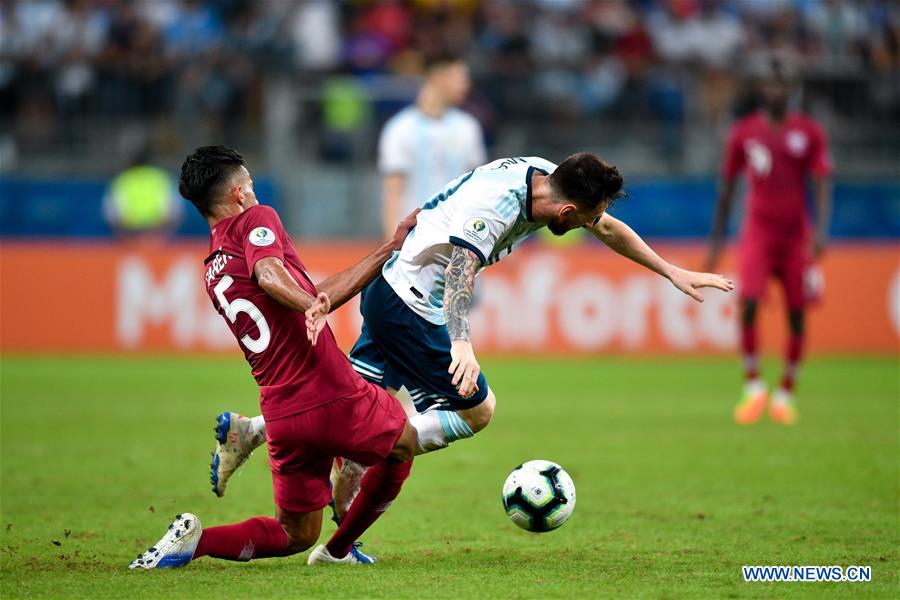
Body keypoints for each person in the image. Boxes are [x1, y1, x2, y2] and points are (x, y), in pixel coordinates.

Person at [212, 153, 734, 537]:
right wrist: (461, 342)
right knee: (476, 409)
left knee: (344, 405)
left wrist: (671, 271)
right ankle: (368, 457)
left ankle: (254, 431)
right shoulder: (500, 206)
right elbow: (462, 269)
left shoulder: (544, 173)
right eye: (584, 219)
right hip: (411, 303)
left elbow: (609, 227)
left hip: (392, 285)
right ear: (567, 208)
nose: (588, 226)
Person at [130, 146, 421, 569]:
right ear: (237, 195)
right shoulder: (256, 219)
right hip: (330, 392)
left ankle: (195, 542)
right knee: (404, 446)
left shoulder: (214, 265)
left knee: (295, 533)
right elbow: (270, 274)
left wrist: (388, 249)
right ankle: (341, 551)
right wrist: (309, 306)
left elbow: (318, 293)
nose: (254, 192)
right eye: (248, 184)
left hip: (283, 413)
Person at [706, 58, 832, 426]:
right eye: (770, 84)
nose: (776, 90)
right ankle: (753, 386)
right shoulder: (744, 133)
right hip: (758, 233)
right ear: (762, 89)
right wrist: (715, 244)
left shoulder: (808, 132)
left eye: (783, 84)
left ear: (792, 89)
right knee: (747, 304)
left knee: (797, 313)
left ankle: (786, 392)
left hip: (795, 236)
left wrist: (822, 231)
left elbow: (822, 181)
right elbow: (727, 189)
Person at [379, 52, 486, 239]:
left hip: (458, 237)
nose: (466, 85)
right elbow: (393, 192)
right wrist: (391, 245)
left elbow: (477, 189)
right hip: (415, 239)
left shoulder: (468, 127)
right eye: (461, 78)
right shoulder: (401, 128)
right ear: (439, 78)